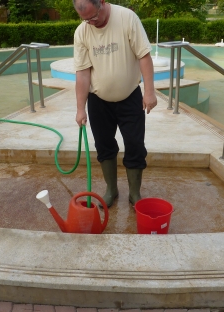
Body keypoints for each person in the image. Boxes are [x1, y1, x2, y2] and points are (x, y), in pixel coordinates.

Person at [73, 0, 157, 208]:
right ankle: (111, 190)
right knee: (104, 145)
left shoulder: (127, 18)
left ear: (102, 2)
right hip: (98, 101)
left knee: (135, 145)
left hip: (130, 97)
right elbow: (83, 73)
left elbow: (144, 56)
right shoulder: (82, 32)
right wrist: (80, 108)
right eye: (85, 19)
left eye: (94, 16)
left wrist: (149, 91)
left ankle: (134, 193)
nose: (91, 23)